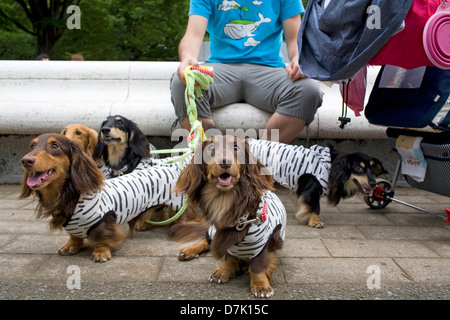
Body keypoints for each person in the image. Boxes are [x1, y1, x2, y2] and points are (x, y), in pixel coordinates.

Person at [170, 0, 323, 144]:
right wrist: (188, 58)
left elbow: (295, 38)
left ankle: (259, 158)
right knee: (182, 84)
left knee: (309, 91)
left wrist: (299, 58)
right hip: (220, 69)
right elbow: (193, 35)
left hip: (268, 71)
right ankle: (213, 155)